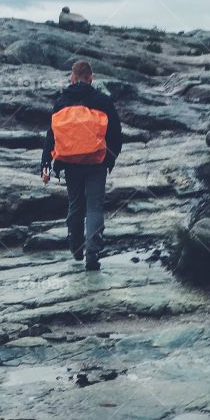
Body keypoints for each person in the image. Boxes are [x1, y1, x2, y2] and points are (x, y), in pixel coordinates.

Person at [40, 60, 122, 271]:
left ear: (72, 78)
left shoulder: (61, 102)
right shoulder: (102, 101)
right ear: (90, 78)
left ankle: (76, 246)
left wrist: (46, 164)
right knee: (95, 205)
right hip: (96, 162)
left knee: (75, 204)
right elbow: (116, 135)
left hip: (69, 162)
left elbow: (51, 136)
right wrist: (109, 159)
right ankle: (92, 251)